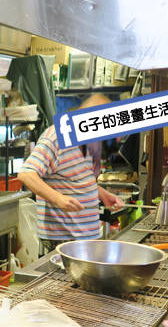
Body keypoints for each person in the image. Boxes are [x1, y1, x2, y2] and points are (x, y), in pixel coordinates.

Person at [17, 94, 124, 253]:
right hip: (62, 239)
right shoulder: (56, 137)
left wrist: (102, 194)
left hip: (87, 236)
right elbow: (26, 174)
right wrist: (58, 199)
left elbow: (78, 177)